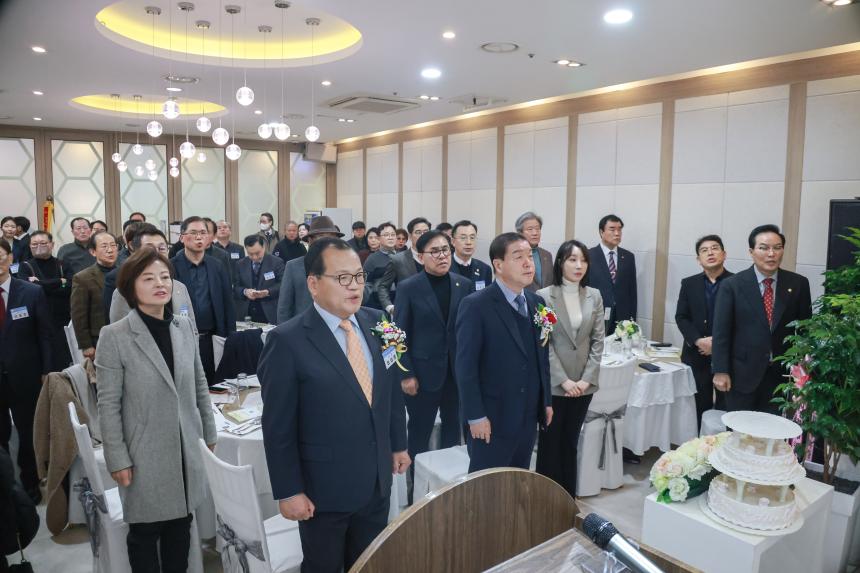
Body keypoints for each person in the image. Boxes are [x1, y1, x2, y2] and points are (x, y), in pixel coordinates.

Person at [259, 237, 409, 573]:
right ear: (313, 284)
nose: (354, 286)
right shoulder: (287, 340)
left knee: (370, 564)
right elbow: (278, 426)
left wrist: (398, 444)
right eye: (342, 278)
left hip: (376, 482)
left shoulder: (379, 324)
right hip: (322, 491)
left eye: (358, 276)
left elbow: (389, 393)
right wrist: (289, 491)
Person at [97, 248, 216, 573]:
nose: (160, 284)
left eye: (165, 277)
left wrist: (208, 432)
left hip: (185, 448)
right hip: (143, 453)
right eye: (148, 279)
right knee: (145, 534)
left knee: (181, 528)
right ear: (131, 288)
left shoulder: (183, 327)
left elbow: (200, 384)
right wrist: (117, 457)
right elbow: (108, 404)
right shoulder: (115, 336)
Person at [456, 232, 553, 472]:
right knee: (487, 485)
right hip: (492, 418)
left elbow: (542, 358)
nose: (528, 263)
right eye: (518, 257)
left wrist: (546, 401)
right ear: (498, 265)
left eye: (529, 255)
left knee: (518, 480)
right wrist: (475, 416)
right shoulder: (476, 305)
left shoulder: (537, 303)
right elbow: (466, 368)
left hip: (528, 415)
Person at [395, 230, 473, 478]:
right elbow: (398, 335)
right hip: (422, 375)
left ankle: (448, 484)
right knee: (419, 433)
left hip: (455, 374)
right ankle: (415, 486)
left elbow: (468, 330)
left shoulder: (463, 284)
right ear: (421, 257)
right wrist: (406, 374)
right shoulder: (409, 288)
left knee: (453, 432)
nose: (442, 256)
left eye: (445, 250)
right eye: (435, 251)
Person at [712, 224, 812, 414]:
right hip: (741, 375)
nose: (771, 254)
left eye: (777, 248)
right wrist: (720, 370)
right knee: (739, 429)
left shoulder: (798, 284)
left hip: (781, 377)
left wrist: (803, 374)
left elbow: (804, 331)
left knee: (774, 429)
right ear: (751, 252)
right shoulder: (732, 285)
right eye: (764, 248)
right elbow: (721, 332)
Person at [536, 240, 605, 498]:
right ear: (560, 263)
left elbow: (598, 341)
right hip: (555, 384)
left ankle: (567, 498)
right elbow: (545, 343)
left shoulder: (594, 296)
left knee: (571, 441)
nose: (579, 265)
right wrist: (563, 380)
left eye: (583, 260)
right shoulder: (544, 296)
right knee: (550, 442)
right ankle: (544, 498)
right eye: (572, 260)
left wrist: (586, 379)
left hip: (583, 386)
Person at [0, 238, 52, 504]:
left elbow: (45, 335)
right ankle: (5, 485)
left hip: (26, 374)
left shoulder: (31, 292)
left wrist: (47, 370)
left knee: (28, 430)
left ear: (10, 258)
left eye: (1, 255)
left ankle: (31, 481)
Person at [675, 235, 733, 428]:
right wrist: (699, 340)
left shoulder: (737, 283)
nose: (710, 253)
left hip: (727, 357)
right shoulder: (689, 283)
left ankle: (723, 444)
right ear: (698, 259)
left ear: (724, 254)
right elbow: (681, 317)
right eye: (704, 250)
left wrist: (717, 343)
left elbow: (742, 321)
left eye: (715, 248)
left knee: (727, 409)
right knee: (697, 407)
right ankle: (698, 444)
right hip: (696, 355)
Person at [172, 216, 236, 385]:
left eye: (203, 233)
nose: (199, 237)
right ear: (182, 237)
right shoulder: (171, 266)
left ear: (209, 237)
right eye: (193, 233)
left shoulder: (217, 266)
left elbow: (227, 302)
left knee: (212, 385)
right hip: (181, 339)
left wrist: (231, 335)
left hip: (211, 339)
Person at [109, 226, 196, 325]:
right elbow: (119, 329)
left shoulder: (180, 287)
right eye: (149, 249)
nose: (156, 254)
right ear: (136, 253)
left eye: (162, 248)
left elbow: (191, 326)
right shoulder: (125, 291)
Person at [17, 230, 73, 370]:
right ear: (29, 246)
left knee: (63, 362)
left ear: (52, 244)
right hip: (36, 323)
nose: (38, 246)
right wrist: (59, 281)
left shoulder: (63, 264)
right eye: (34, 244)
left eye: (43, 243)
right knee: (41, 364)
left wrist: (39, 283)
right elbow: (28, 290)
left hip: (62, 322)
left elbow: (70, 287)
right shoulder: (25, 266)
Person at [275, 216, 343, 324]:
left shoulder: (343, 265)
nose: (328, 242)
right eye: (322, 237)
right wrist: (284, 332)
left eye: (332, 238)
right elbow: (284, 308)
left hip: (337, 326)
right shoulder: (293, 266)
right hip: (303, 327)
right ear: (310, 240)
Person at [586, 214, 637, 335]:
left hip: (622, 319)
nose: (617, 233)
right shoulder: (588, 255)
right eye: (612, 229)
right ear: (601, 232)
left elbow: (632, 291)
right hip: (596, 316)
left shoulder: (628, 257)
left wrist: (632, 320)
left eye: (619, 229)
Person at [70, 232, 118, 360]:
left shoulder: (125, 272)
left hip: (124, 334)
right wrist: (86, 345)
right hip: (99, 337)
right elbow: (78, 314)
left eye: (113, 245)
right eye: (104, 246)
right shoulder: (82, 278)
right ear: (93, 252)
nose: (110, 250)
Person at [377, 217, 431, 314]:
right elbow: (383, 286)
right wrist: (389, 307)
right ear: (410, 236)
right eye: (418, 232)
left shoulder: (436, 257)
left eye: (426, 232)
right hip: (407, 312)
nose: (423, 235)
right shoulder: (398, 259)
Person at [234, 235, 285, 324]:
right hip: (246, 313)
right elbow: (235, 287)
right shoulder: (240, 264)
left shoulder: (277, 262)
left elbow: (283, 284)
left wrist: (268, 292)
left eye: (257, 253)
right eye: (250, 254)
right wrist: (245, 291)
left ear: (263, 247)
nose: (254, 257)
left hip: (269, 312)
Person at [515, 212, 553, 292]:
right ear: (520, 233)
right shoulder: (514, 255)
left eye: (537, 229)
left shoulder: (547, 255)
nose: (535, 233)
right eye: (530, 229)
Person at [451, 220, 493, 290]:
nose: (468, 242)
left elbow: (487, 295)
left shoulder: (485, 269)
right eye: (463, 238)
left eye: (472, 238)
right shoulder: (444, 267)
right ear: (453, 242)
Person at [202, 217, 236, 287]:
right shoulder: (183, 254)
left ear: (214, 235)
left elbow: (226, 282)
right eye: (201, 232)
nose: (202, 236)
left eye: (207, 232)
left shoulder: (222, 255)